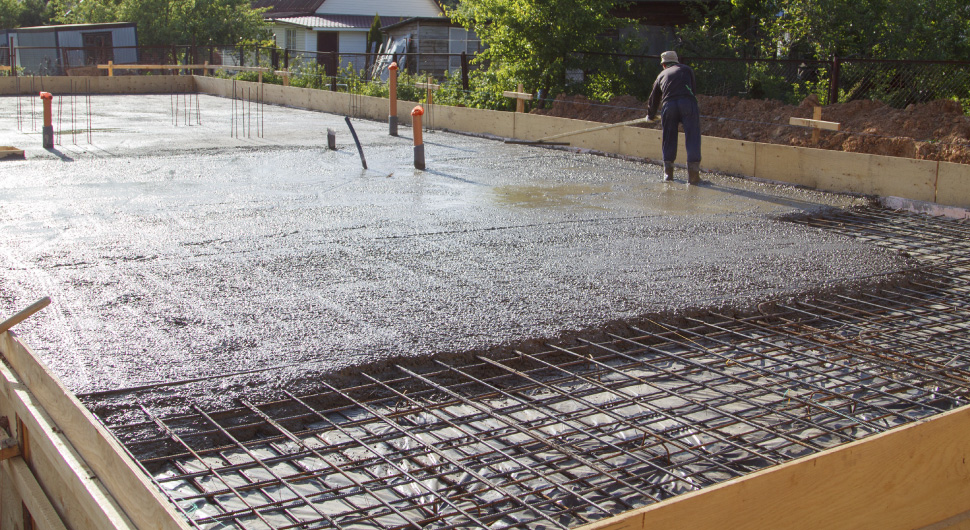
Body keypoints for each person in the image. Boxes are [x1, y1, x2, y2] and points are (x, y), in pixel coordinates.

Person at [646, 51, 702, 184]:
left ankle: (668, 174)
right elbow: (692, 90)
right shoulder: (687, 70)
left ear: (663, 65)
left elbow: (654, 98)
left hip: (669, 106)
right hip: (688, 104)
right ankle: (693, 177)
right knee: (692, 136)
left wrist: (650, 115)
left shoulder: (661, 75)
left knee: (669, 137)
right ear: (677, 62)